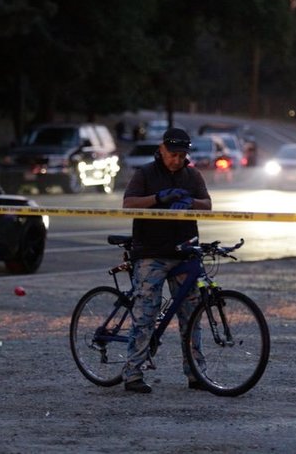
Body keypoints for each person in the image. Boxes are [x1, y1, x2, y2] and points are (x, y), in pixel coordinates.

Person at [121, 127, 212, 393]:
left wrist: (190, 202)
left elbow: (207, 204)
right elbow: (129, 204)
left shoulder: (192, 174)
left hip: (184, 252)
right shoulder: (145, 173)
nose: (177, 159)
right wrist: (159, 198)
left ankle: (196, 373)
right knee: (145, 313)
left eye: (182, 155)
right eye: (173, 154)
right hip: (151, 252)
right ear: (161, 150)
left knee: (192, 314)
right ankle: (133, 373)